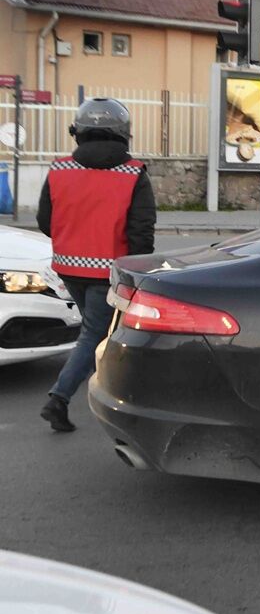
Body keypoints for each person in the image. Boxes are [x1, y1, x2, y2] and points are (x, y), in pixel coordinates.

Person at [38, 98, 156, 432]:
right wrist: (138, 271)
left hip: (67, 267)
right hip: (110, 272)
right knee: (95, 334)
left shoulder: (59, 169)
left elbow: (46, 221)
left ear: (79, 131)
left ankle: (101, 389)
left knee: (97, 331)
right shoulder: (133, 173)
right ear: (124, 133)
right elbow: (141, 232)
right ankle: (58, 399)